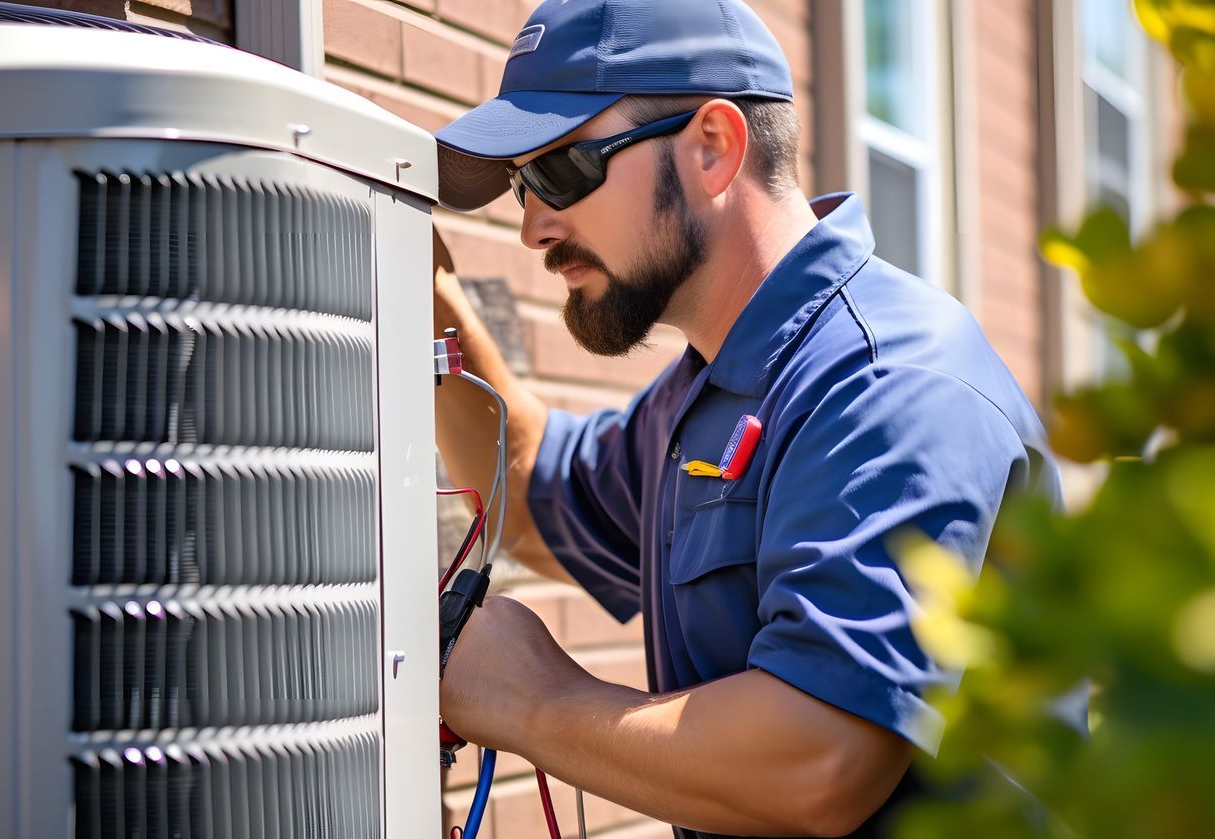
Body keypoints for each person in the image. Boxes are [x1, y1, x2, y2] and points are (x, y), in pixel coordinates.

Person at [430, 1, 1060, 835]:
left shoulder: (886, 381)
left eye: (560, 172)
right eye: (520, 184)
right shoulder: (710, 394)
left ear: (713, 147)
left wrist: (537, 701)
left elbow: (819, 760)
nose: (532, 227)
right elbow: (532, 490)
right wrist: (423, 305)